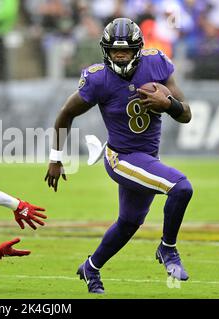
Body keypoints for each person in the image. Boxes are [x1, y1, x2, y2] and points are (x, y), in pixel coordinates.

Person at [44, 18, 193, 294]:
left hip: (147, 156)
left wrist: (168, 103)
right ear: (105, 51)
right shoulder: (98, 78)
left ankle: (91, 267)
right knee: (181, 187)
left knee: (129, 223)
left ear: (138, 49)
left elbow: (185, 114)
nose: (120, 55)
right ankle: (168, 249)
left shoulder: (156, 63)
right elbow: (65, 113)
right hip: (121, 158)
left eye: (125, 50)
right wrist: (56, 158)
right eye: (114, 51)